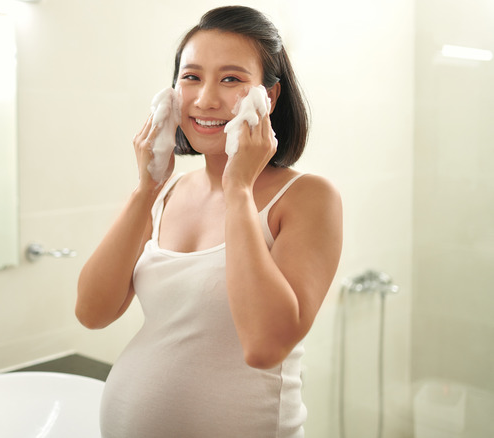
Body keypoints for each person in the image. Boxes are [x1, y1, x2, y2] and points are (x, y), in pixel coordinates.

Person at [76, 6, 343, 437]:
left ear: (268, 98)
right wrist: (145, 189)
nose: (205, 100)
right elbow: (92, 311)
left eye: (231, 79)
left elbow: (265, 345)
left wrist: (239, 189)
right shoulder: (165, 194)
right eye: (192, 77)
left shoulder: (308, 198)